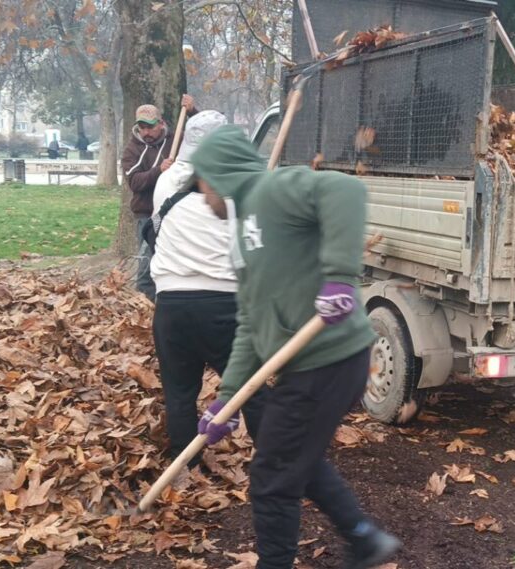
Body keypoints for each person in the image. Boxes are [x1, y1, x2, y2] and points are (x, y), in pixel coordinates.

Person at [190, 126, 400, 569]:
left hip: (329, 359)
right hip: (310, 367)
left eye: (200, 181)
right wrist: (226, 398)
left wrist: (341, 274)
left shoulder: (273, 190)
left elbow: (345, 190)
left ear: (219, 174)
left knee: (271, 478)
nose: (199, 193)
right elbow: (252, 322)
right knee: (292, 458)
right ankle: (365, 539)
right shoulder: (244, 228)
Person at [147, 110, 233, 467]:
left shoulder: (167, 183)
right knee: (249, 388)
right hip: (225, 305)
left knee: (180, 392)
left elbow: (157, 231)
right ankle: (276, 461)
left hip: (172, 305)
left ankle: (185, 468)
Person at [121, 102, 181, 300]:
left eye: (150, 126)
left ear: (161, 124)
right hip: (147, 215)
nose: (146, 132)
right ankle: (144, 305)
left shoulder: (175, 141)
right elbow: (135, 182)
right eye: (142, 127)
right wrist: (159, 170)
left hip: (173, 212)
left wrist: (192, 110)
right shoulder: (132, 149)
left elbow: (201, 136)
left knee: (174, 259)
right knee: (147, 262)